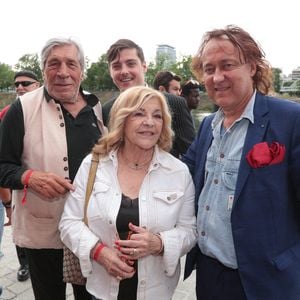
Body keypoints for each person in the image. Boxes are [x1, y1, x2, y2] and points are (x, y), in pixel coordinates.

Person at [183, 24, 300, 300]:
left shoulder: (290, 120)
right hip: (209, 276)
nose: (217, 77)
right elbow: (180, 176)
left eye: (227, 65)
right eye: (209, 69)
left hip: (266, 282)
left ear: (252, 67)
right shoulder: (208, 126)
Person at [59, 85, 197, 300]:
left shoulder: (178, 172)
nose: (149, 122)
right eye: (139, 113)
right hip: (103, 290)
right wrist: (99, 253)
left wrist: (159, 243)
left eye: (157, 116)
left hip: (156, 292)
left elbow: (190, 230)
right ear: (122, 120)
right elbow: (69, 222)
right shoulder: (94, 165)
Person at [0, 37, 106, 300]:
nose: (62, 72)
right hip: (44, 230)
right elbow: (2, 165)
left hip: (90, 230)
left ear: (81, 69)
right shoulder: (21, 109)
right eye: (53, 64)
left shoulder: (96, 107)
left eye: (71, 64)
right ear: (44, 68)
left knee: (90, 295)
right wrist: (29, 177)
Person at [102, 39, 195, 158]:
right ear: (110, 72)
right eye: (116, 66)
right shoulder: (106, 110)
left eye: (131, 64)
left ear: (144, 66)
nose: (124, 71)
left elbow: (191, 155)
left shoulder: (174, 103)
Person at [1, 70, 41, 283]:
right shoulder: (8, 113)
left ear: (38, 85)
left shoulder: (49, 111)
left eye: (26, 83)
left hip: (47, 190)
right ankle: (24, 264)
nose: (19, 87)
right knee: (20, 228)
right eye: (16, 84)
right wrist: (6, 202)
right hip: (19, 185)